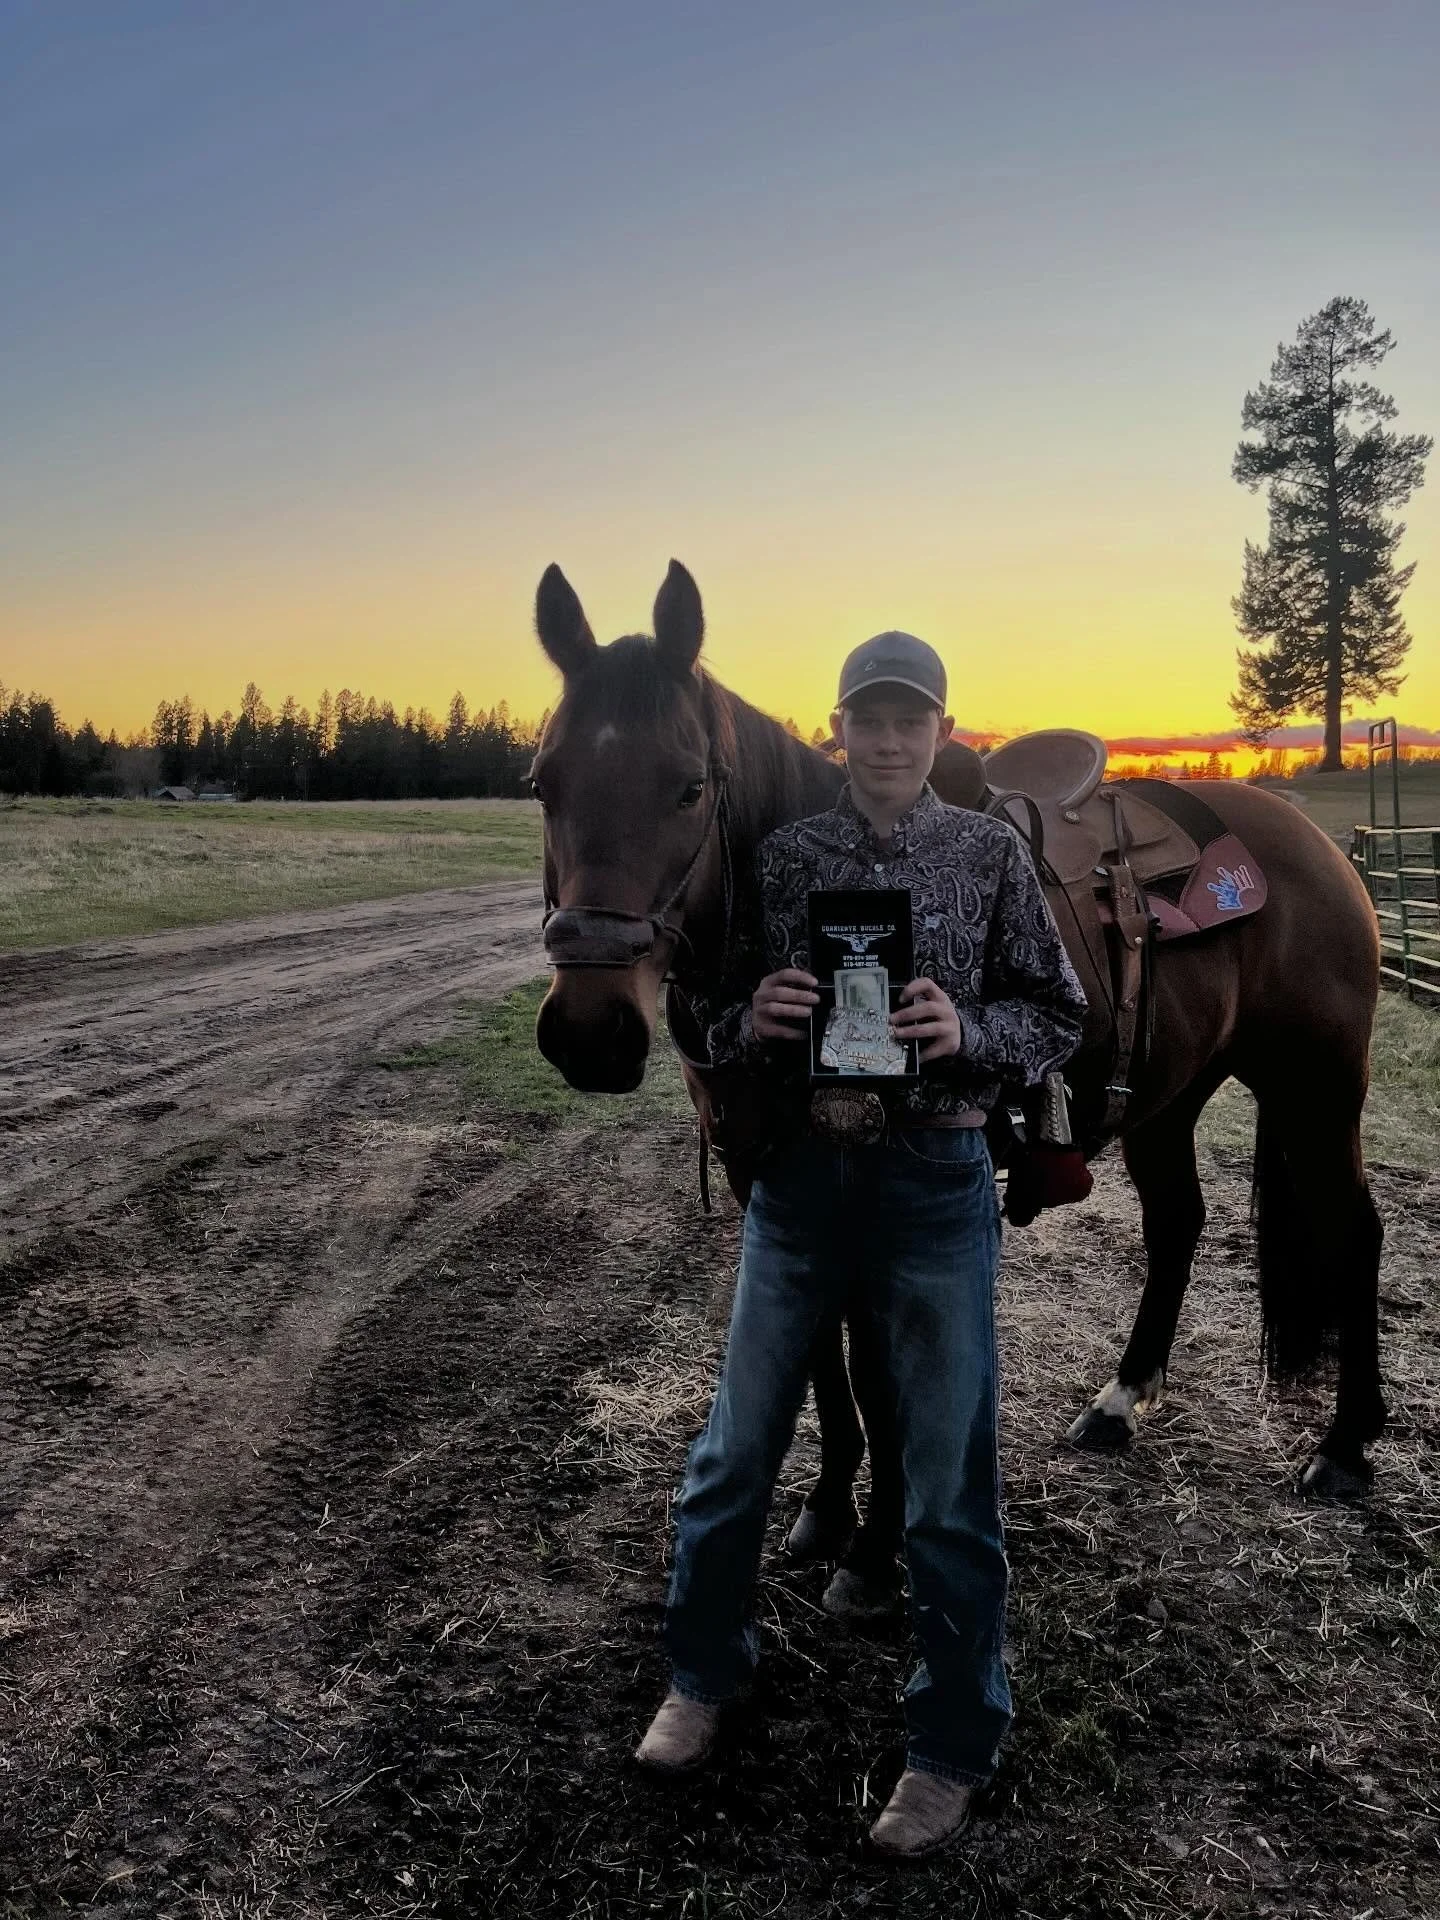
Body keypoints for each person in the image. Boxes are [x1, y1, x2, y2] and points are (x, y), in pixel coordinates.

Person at [636, 632, 1087, 1857]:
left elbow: (1059, 1014)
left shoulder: (987, 853)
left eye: (912, 722)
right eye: (868, 721)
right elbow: (706, 1013)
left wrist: (968, 1025)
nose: (889, 742)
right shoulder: (786, 858)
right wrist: (752, 1015)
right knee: (735, 1454)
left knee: (947, 1480)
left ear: (942, 733)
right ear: (837, 729)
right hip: (801, 1186)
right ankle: (702, 1675)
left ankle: (949, 1742)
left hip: (935, 1184)